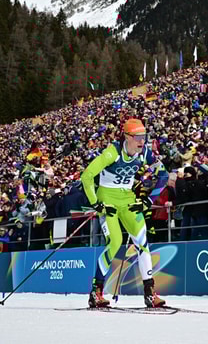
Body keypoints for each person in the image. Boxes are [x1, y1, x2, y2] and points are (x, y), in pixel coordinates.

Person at [80, 119, 168, 308]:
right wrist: (97, 204)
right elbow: (86, 176)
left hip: (128, 199)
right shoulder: (112, 152)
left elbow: (164, 175)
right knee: (115, 242)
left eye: (144, 137)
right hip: (107, 199)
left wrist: (148, 200)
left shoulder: (144, 153)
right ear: (127, 137)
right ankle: (96, 292)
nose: (141, 142)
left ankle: (150, 293)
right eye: (137, 137)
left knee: (142, 240)